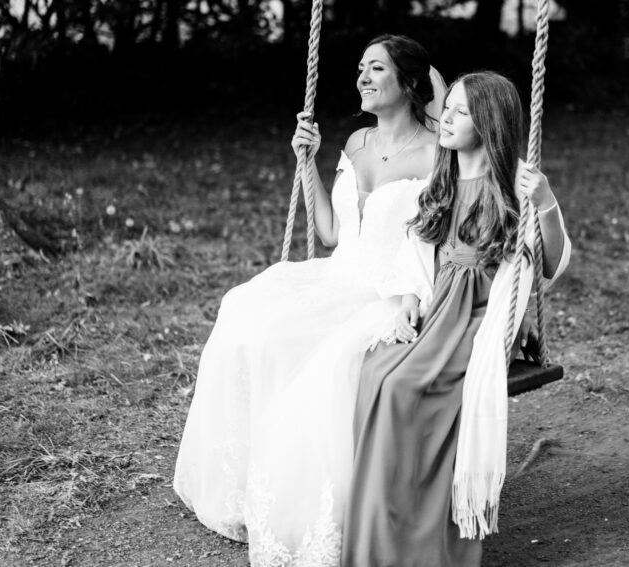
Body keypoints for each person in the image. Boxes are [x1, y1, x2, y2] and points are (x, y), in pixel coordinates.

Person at [172, 34, 445, 560]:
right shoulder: (357, 143)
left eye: (377, 69)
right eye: (361, 68)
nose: (362, 77)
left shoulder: (436, 155)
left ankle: (297, 498)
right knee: (243, 313)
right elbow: (328, 232)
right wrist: (308, 163)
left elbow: (439, 241)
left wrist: (414, 292)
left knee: (289, 344)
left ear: (410, 83)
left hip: (381, 293)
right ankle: (243, 485)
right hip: (336, 277)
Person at [341, 71, 572, 567]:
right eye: (447, 109)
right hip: (440, 306)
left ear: (488, 123)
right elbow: (417, 250)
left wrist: (546, 203)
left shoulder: (514, 182)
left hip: (480, 320)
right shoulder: (441, 176)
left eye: (460, 112)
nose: (444, 118)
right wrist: (406, 298)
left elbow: (550, 261)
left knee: (407, 389)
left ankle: (423, 534)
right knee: (375, 372)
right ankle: (385, 524)